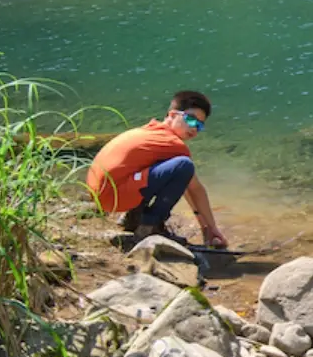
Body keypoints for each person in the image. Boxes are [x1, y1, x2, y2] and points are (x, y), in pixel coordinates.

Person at [87, 90, 228, 247]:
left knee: (167, 169)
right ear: (172, 115)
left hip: (103, 195)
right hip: (112, 196)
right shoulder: (173, 144)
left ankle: (134, 217)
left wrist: (205, 227)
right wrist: (212, 229)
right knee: (184, 165)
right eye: (191, 120)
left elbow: (186, 185)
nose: (195, 128)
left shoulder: (153, 130)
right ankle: (149, 227)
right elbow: (195, 189)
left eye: (200, 125)